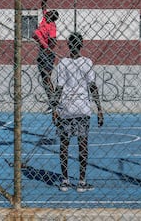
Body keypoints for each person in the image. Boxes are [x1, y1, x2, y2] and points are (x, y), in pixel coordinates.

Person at [52, 32, 104, 192]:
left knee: (64, 145)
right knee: (82, 145)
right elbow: (92, 86)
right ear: (81, 44)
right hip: (82, 108)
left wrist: (54, 108)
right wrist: (99, 108)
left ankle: (65, 180)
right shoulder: (87, 63)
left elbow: (59, 88)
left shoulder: (62, 63)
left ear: (68, 44)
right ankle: (81, 182)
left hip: (66, 108)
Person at [32, 0, 59, 113]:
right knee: (44, 79)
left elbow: (53, 42)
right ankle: (52, 102)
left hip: (48, 53)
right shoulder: (44, 20)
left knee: (47, 78)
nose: (47, 13)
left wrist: (47, 47)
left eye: (50, 13)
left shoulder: (52, 26)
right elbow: (43, 3)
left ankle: (54, 103)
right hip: (42, 52)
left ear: (52, 17)